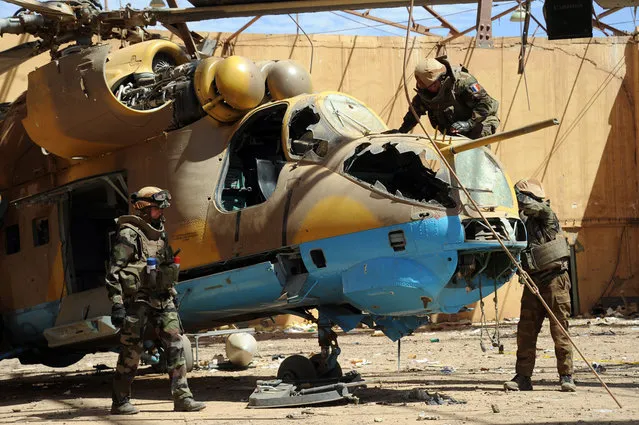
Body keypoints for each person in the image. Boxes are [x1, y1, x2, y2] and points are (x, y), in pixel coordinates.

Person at [106, 186, 206, 414]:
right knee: (132, 351)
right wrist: (117, 303)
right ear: (142, 209)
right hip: (138, 302)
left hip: (162, 299)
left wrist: (171, 289)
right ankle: (120, 402)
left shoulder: (160, 233)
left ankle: (182, 398)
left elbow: (166, 264)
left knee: (175, 345)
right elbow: (114, 271)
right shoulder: (128, 234)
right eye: (156, 209)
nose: (160, 213)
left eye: (161, 209)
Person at [504, 179, 576, 392]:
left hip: (555, 280)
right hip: (533, 281)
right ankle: (523, 377)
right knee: (525, 331)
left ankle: (566, 376)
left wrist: (514, 197)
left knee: (560, 330)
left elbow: (535, 207)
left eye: (521, 197)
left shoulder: (546, 214)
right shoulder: (522, 222)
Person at [395, 57, 499, 139]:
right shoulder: (425, 93)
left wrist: (469, 123)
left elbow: (485, 104)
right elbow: (414, 113)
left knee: (475, 153)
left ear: (442, 77)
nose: (431, 89)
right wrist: (401, 132)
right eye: (428, 86)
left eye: (434, 84)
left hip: (480, 123)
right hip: (454, 131)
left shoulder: (463, 81)